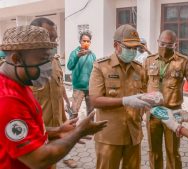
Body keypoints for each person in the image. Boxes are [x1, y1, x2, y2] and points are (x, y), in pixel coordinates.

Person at [0, 25, 107, 169]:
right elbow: (38, 160)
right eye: (43, 59)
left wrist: (58, 131)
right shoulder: (8, 100)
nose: (48, 67)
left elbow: (31, 130)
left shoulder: (20, 83)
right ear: (16, 59)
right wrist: (78, 132)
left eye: (49, 59)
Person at [89, 24, 150, 169]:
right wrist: (125, 101)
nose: (133, 51)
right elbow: (94, 100)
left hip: (133, 134)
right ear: (116, 45)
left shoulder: (139, 68)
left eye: (135, 48)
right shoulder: (101, 66)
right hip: (110, 136)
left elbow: (145, 95)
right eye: (129, 48)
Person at [143, 30, 188, 169]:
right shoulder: (149, 60)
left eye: (169, 45)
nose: (165, 47)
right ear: (157, 42)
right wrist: (142, 109)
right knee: (154, 152)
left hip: (173, 113)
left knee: (173, 152)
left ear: (176, 45)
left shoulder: (183, 61)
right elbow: (141, 85)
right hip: (153, 113)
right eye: (162, 44)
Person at [30, 17, 77, 168]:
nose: (54, 42)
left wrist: (67, 102)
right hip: (34, 138)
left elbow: (59, 85)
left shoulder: (55, 62)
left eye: (55, 38)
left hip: (55, 130)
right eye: (49, 37)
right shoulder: (23, 69)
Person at [67, 31, 96, 119]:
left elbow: (95, 70)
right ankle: (71, 130)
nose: (86, 43)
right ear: (80, 41)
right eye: (84, 41)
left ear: (90, 42)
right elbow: (69, 66)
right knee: (74, 112)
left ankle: (90, 131)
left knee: (91, 112)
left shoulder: (92, 55)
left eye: (88, 41)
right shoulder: (74, 53)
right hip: (78, 87)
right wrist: (77, 56)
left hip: (90, 88)